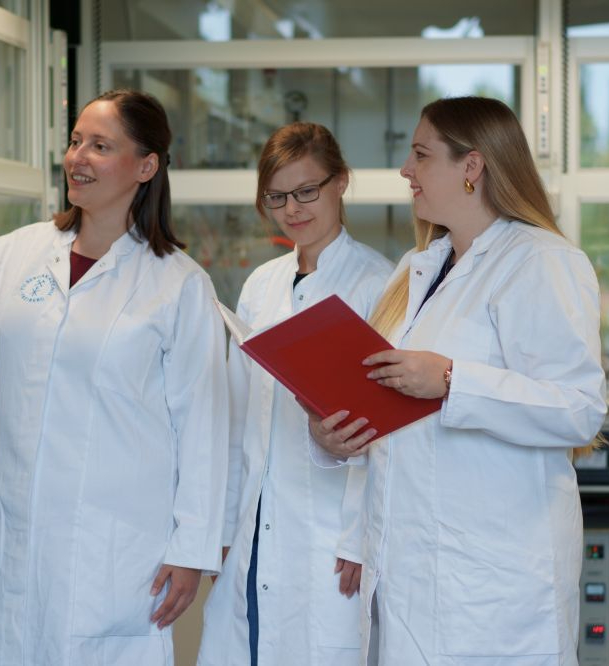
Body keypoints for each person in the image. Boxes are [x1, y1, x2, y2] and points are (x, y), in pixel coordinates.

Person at [0, 89, 229, 665]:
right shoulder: (17, 254)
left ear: (146, 166)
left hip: (109, 549)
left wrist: (193, 547)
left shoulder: (178, 285)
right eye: (76, 141)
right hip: (9, 535)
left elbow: (202, 426)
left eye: (101, 146)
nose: (78, 157)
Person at [308, 96, 607, 665]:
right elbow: (388, 419)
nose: (405, 170)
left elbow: (577, 409)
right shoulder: (414, 269)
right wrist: (333, 435)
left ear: (472, 168)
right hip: (408, 572)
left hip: (495, 582)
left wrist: (451, 380)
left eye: (421, 155)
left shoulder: (540, 261)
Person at [198, 122, 393, 666]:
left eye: (307, 190)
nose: (293, 209)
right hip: (256, 528)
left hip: (327, 536)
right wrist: (223, 526)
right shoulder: (261, 283)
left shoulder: (379, 284)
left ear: (341, 183)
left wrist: (358, 538)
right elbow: (240, 415)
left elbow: (387, 432)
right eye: (277, 197)